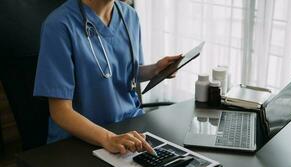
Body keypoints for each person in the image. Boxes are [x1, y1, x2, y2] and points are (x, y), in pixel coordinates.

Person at [33, 0, 181, 155]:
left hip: (128, 129)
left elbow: (124, 72)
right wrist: (108, 138)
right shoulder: (59, 25)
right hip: (79, 140)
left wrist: (155, 70)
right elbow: (60, 112)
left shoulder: (129, 16)